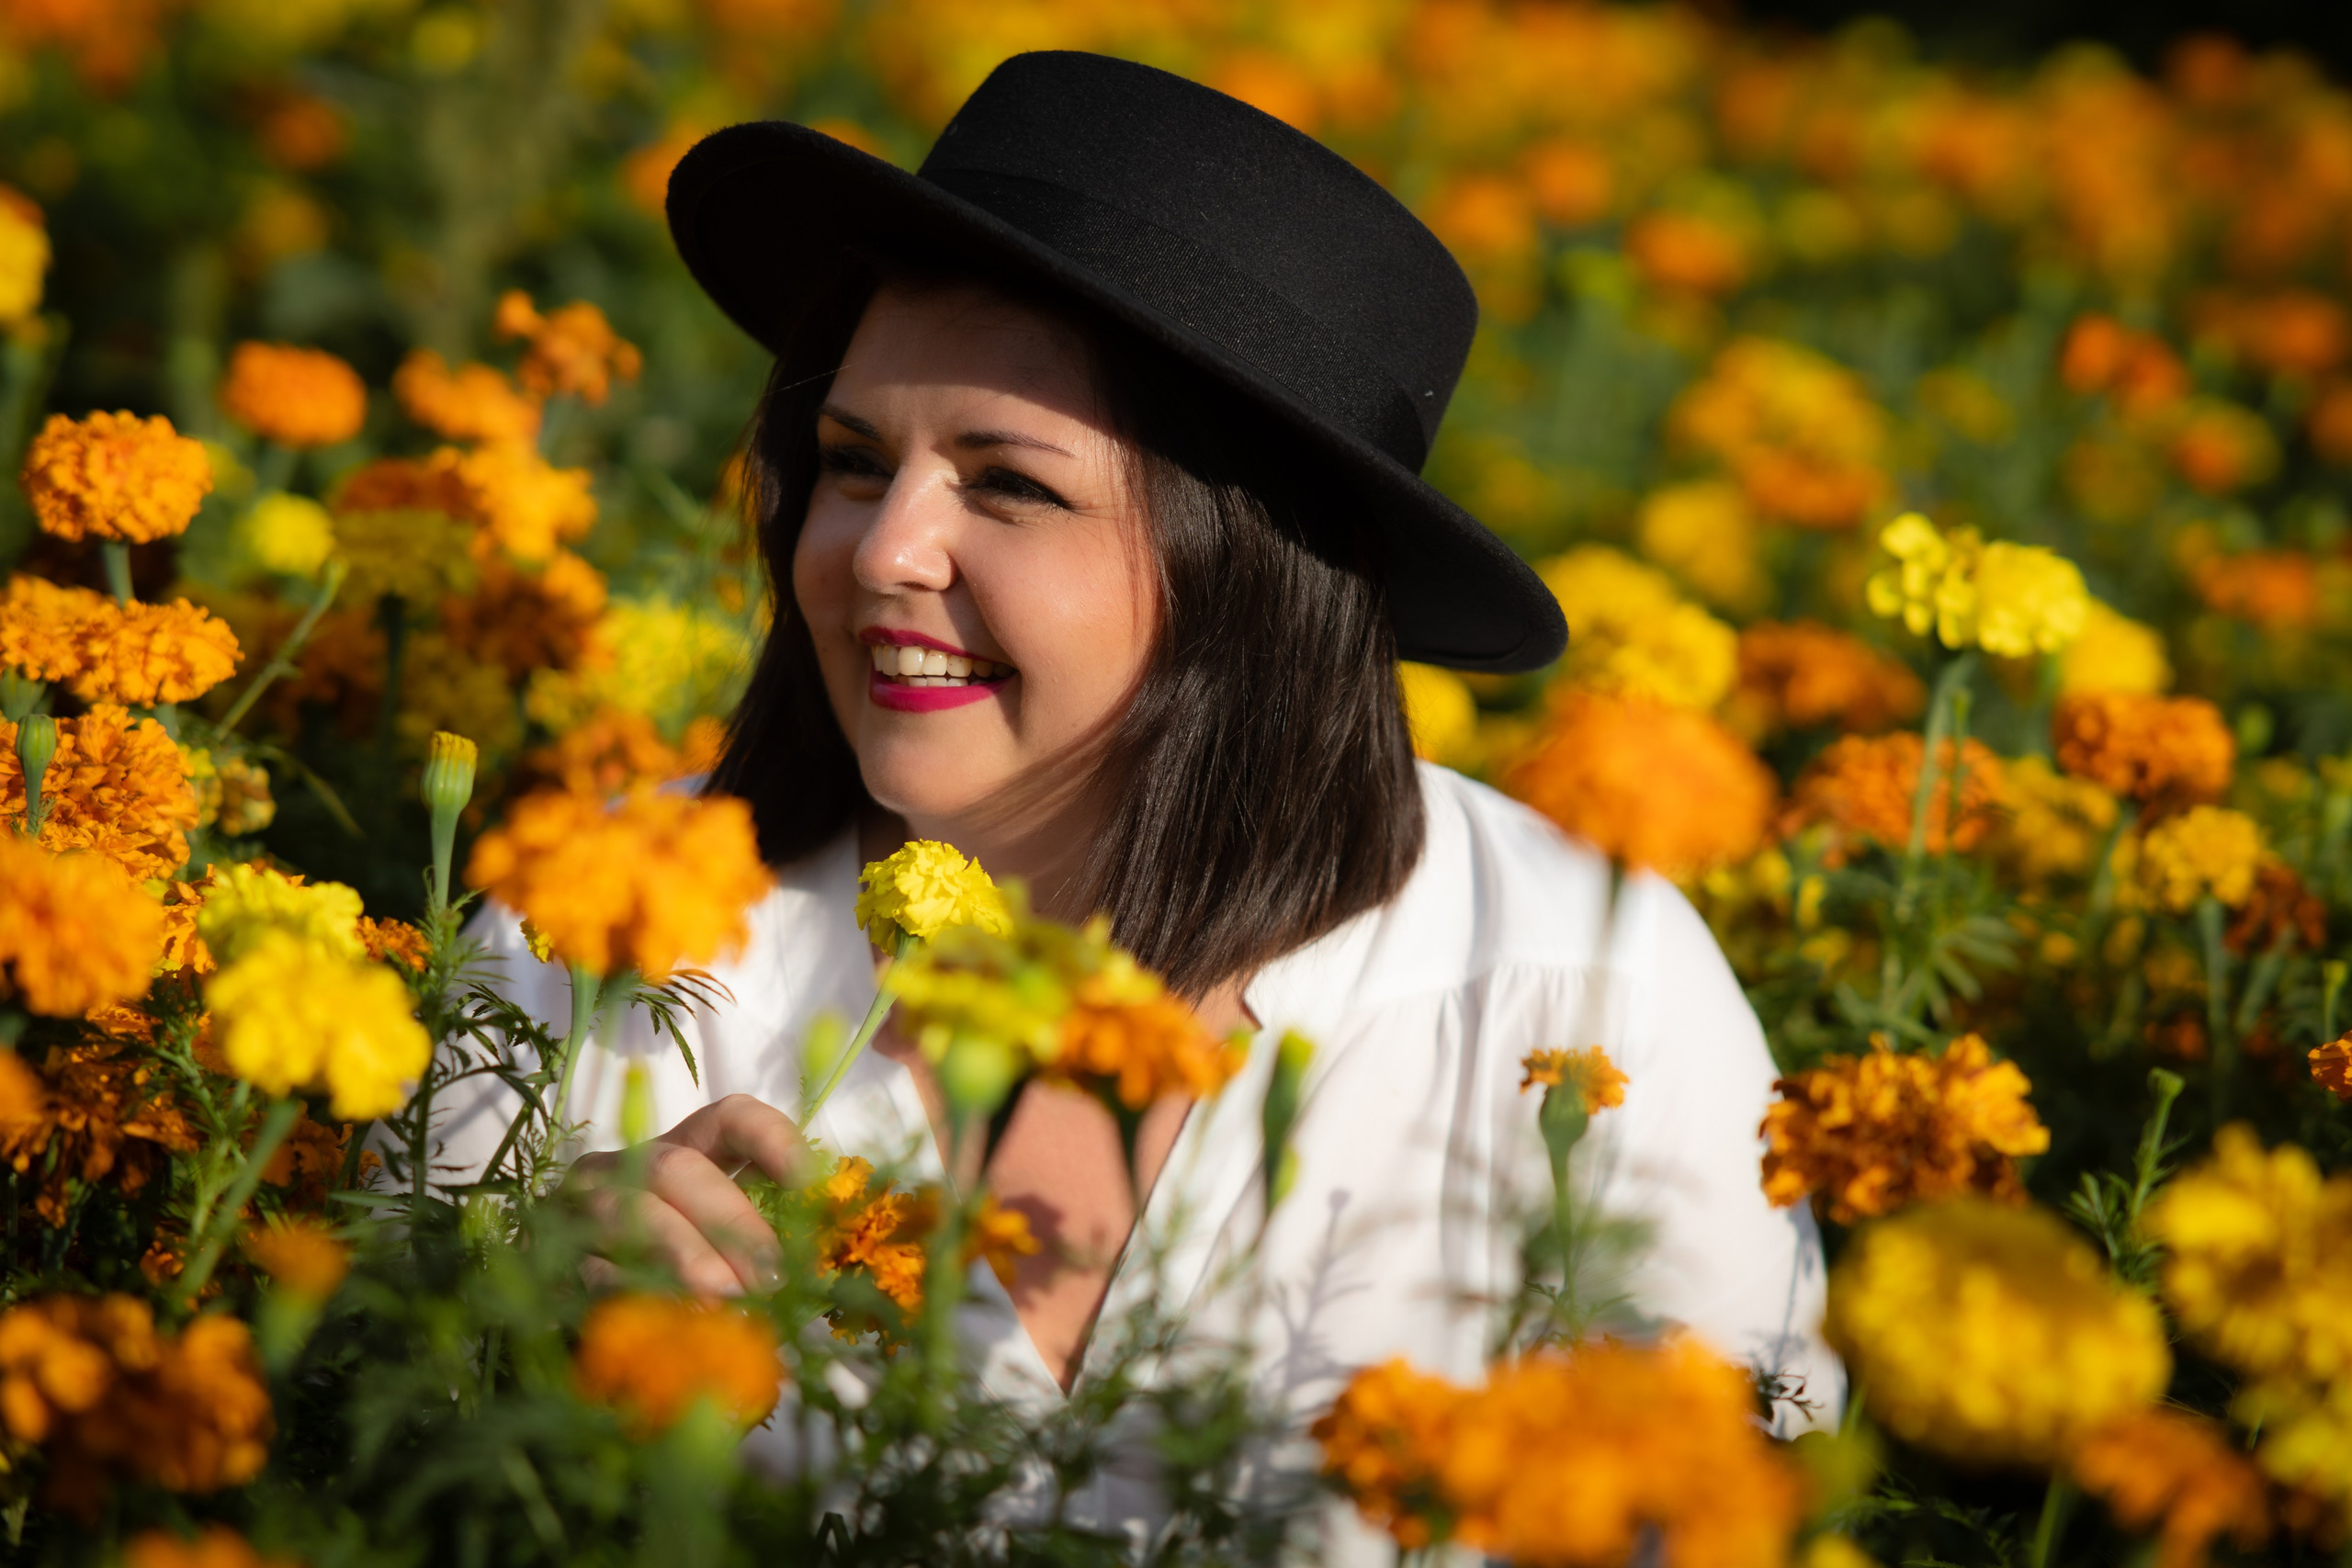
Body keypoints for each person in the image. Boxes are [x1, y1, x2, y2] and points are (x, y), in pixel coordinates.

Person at [435, 48, 1837, 1552]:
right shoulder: (590, 937)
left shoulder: (1582, 990)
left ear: (1254, 572)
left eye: (1008, 484)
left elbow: (1736, 1512)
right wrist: (500, 1323)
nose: (879, 551)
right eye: (853, 461)